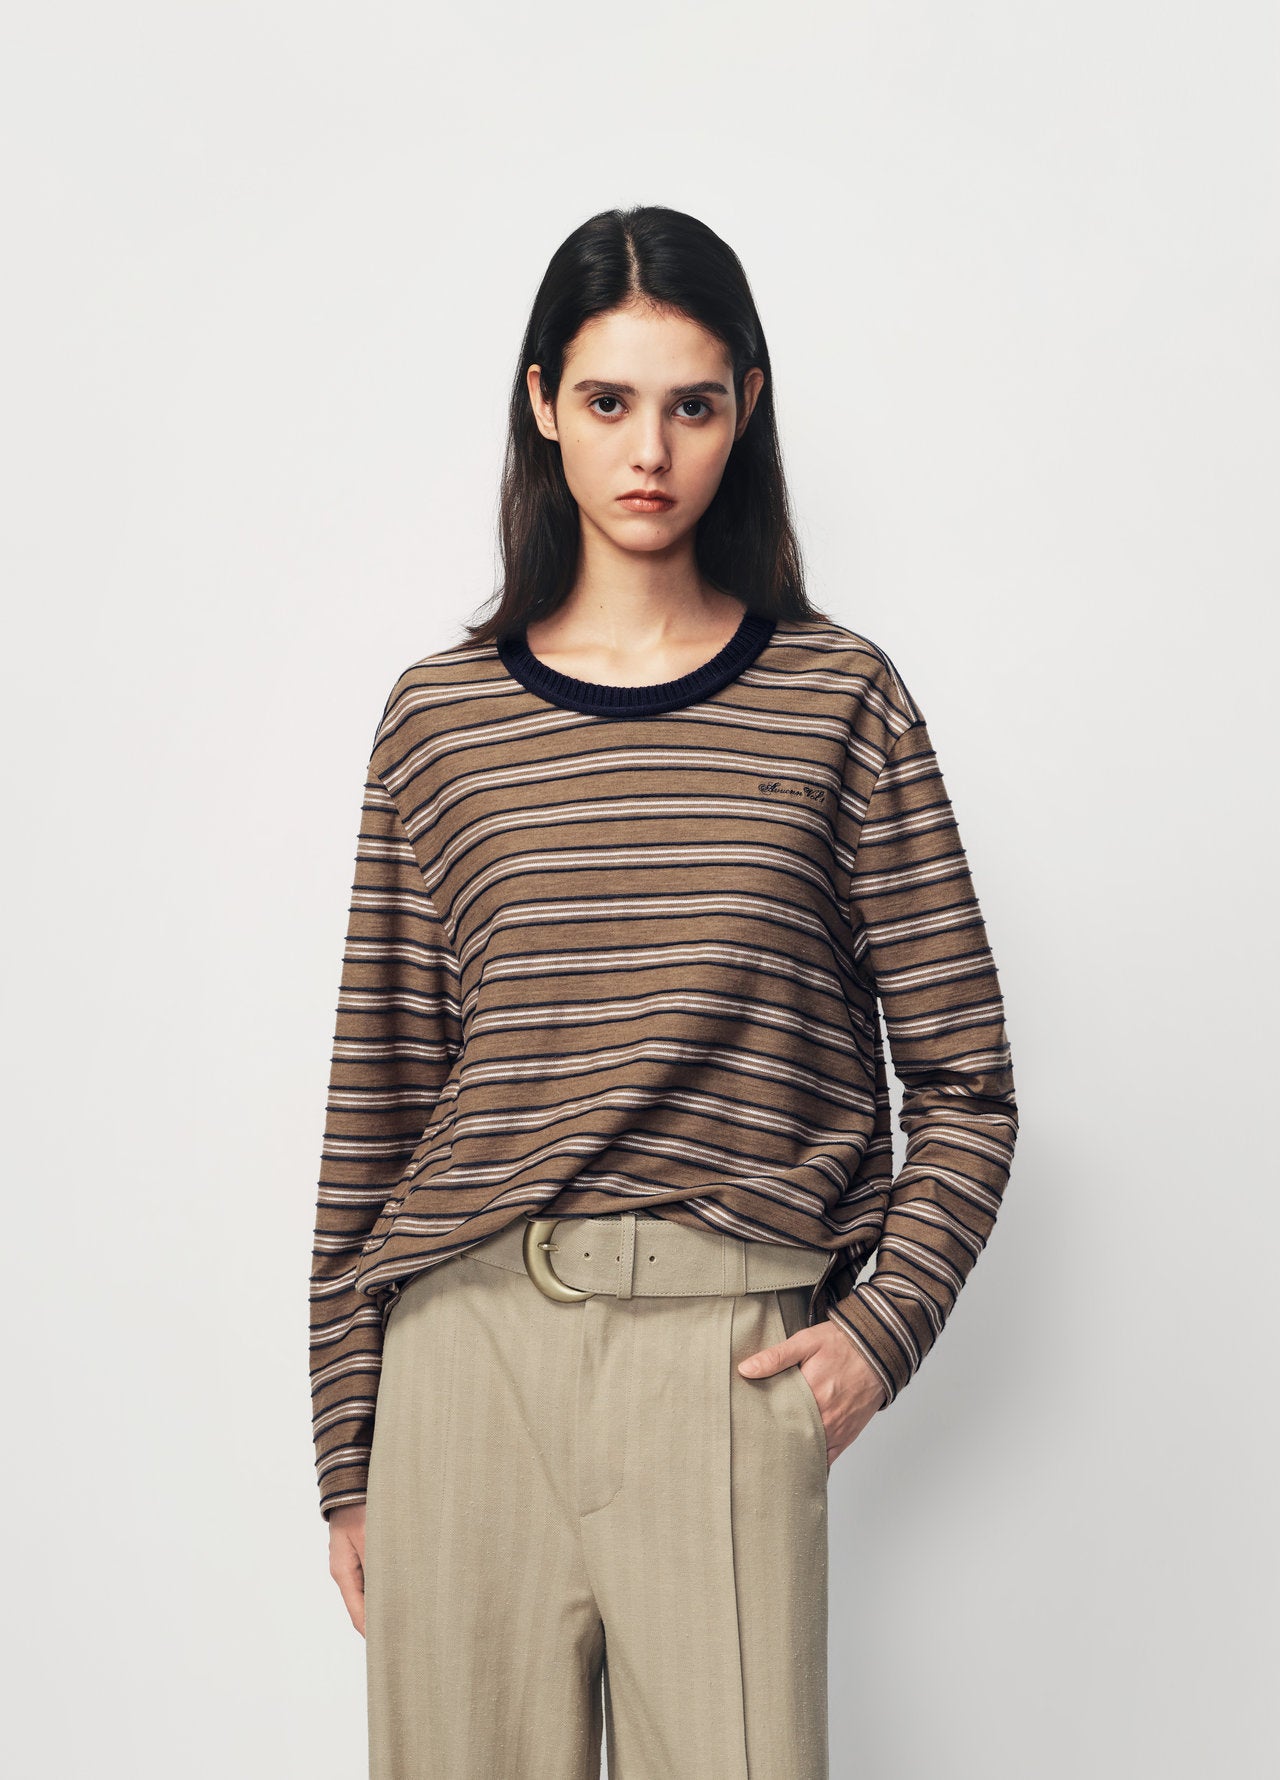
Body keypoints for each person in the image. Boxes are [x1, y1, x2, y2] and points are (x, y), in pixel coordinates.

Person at [308, 203, 1019, 1780]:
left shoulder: (838, 701)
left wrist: (877, 1332)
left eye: (692, 404)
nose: (650, 452)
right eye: (610, 401)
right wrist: (348, 1451)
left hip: (723, 1357)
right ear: (543, 403)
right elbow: (379, 1105)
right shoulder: (439, 724)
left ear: (745, 409)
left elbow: (967, 1082)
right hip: (464, 1363)